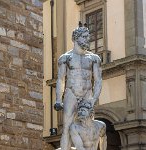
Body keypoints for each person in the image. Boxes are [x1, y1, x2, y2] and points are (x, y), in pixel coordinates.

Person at [54, 22, 102, 150]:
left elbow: (98, 80)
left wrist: (94, 99)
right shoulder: (65, 58)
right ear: (76, 38)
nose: (88, 39)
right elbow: (60, 79)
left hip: (87, 94)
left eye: (88, 36)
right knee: (67, 126)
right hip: (71, 93)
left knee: (89, 126)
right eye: (85, 36)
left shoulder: (94, 58)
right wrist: (58, 99)